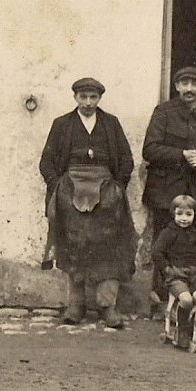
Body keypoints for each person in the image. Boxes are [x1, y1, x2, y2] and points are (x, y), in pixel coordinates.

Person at [39, 77, 137, 329]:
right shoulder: (62, 124)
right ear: (75, 98)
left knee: (108, 248)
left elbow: (126, 159)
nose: (88, 103)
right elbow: (46, 161)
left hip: (106, 196)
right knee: (74, 246)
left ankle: (107, 306)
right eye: (83, 97)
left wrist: (116, 189)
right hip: (70, 195)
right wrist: (59, 187)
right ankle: (76, 304)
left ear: (99, 99)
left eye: (93, 97)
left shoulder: (111, 124)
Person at [142, 66, 196, 310]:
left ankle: (194, 299)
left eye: (194, 83)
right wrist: (182, 155)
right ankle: (161, 301)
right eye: (184, 83)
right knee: (164, 246)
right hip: (166, 193)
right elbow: (150, 149)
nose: (189, 88)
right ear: (176, 87)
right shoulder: (163, 112)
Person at [151, 194, 196, 313]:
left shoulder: (195, 233)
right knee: (186, 300)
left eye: (189, 214)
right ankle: (182, 326)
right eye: (179, 214)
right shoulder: (168, 233)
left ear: (194, 214)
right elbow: (156, 252)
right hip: (176, 275)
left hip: (194, 275)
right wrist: (167, 269)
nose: (184, 218)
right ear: (173, 214)